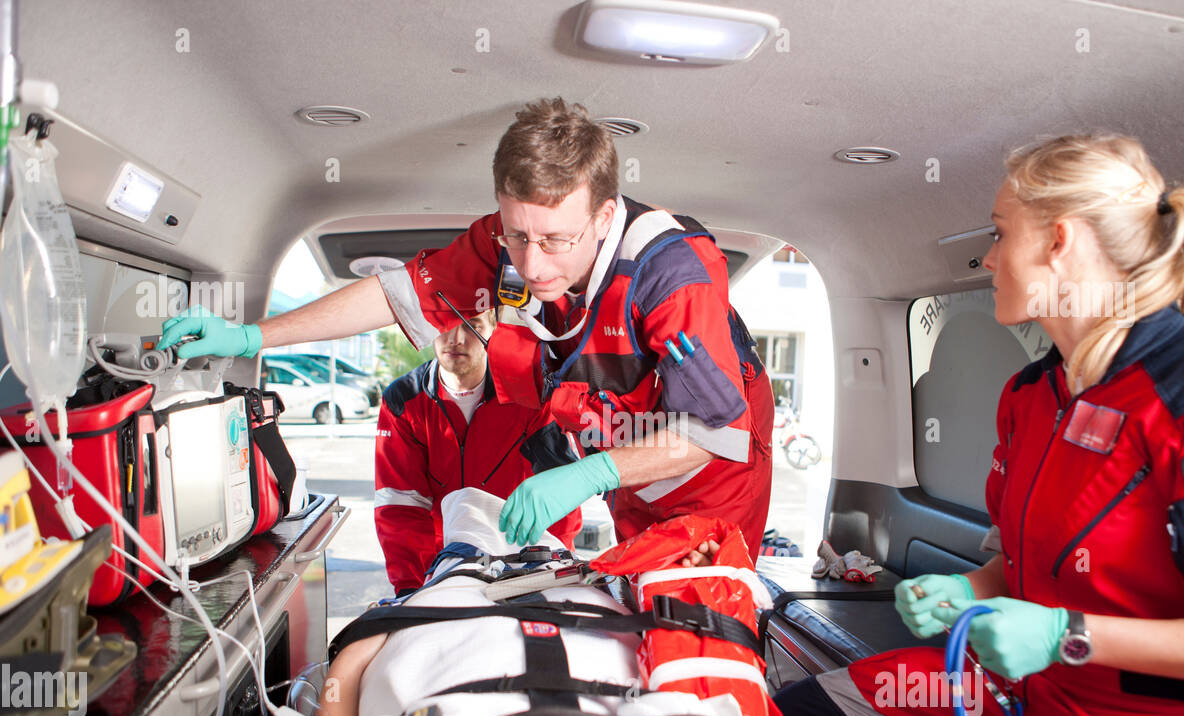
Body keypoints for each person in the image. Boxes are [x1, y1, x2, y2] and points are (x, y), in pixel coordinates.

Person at [776, 133, 1184, 716]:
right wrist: (965, 590)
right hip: (1022, 693)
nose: (986, 258)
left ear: (1059, 242)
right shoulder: (1032, 395)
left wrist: (1065, 635)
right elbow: (1017, 565)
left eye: (998, 233)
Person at [158, 98, 774, 558]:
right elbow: (396, 294)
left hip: (710, 481)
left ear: (604, 215)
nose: (532, 265)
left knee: (696, 618)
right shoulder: (502, 244)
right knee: (637, 605)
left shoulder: (672, 275)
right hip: (631, 472)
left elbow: (715, 435)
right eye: (518, 235)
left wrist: (592, 473)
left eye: (557, 240)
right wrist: (251, 338)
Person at [374, 308, 582, 593]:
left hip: (517, 559)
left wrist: (556, 569)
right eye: (443, 322)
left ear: (493, 331)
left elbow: (559, 489)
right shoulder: (403, 401)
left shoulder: (527, 393)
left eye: (472, 325)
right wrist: (412, 590)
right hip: (440, 566)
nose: (456, 338)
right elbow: (400, 507)